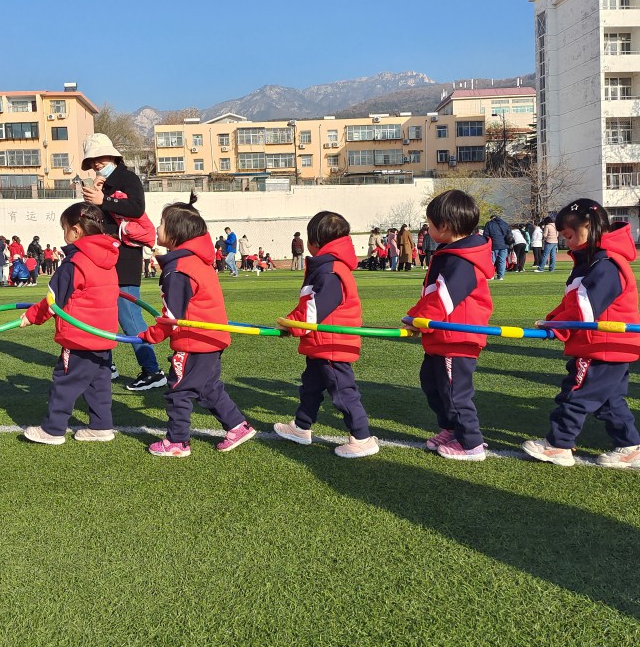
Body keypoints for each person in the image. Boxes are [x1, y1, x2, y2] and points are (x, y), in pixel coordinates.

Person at [522, 199, 640, 469]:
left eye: (569, 236)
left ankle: (559, 444)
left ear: (588, 226)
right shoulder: (591, 261)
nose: (566, 243)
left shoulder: (606, 264)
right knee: (609, 401)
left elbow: (585, 308)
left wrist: (558, 326)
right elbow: (572, 301)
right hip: (605, 345)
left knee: (576, 393)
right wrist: (552, 320)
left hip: (601, 345)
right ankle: (632, 447)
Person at [138, 193, 256, 457]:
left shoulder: (180, 269)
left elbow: (172, 316)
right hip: (211, 338)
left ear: (175, 232)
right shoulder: (195, 261)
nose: (157, 227)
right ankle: (237, 425)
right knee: (208, 387)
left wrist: (150, 335)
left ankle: (177, 441)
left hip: (195, 341)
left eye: (161, 223)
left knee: (178, 390)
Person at [274, 211, 379, 458]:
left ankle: (362, 437)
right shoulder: (327, 267)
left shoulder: (331, 271)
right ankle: (301, 427)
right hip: (320, 343)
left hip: (331, 345)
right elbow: (307, 305)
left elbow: (315, 310)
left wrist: (294, 325)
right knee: (311, 387)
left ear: (315, 242)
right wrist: (291, 321)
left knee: (343, 392)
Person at [403, 190, 493, 461]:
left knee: (455, 393)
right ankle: (452, 429)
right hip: (441, 336)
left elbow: (445, 298)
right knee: (433, 385)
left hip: (456, 339)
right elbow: (432, 295)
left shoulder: (462, 260)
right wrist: (414, 316)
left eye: (429, 223)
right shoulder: (449, 255)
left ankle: (471, 443)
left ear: (443, 226)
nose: (427, 228)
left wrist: (422, 320)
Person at [21, 203, 120, 445]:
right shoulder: (108, 259)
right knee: (99, 383)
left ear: (76, 231)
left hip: (79, 336)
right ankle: (101, 426)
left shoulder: (75, 263)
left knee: (65, 381)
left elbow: (53, 301)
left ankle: (53, 429)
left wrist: (31, 317)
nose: (64, 233)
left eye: (65, 228)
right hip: (103, 335)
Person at [80, 133, 165, 391]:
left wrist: (103, 200)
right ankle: (105, 364)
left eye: (100, 157)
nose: (96, 163)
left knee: (128, 314)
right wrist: (94, 198)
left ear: (113, 155)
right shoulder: (100, 183)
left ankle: (152, 370)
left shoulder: (128, 178)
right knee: (101, 311)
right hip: (103, 254)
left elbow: (137, 208)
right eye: (91, 159)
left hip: (125, 256)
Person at [482, 213, 512, 281]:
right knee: (502, 261)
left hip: (494, 244)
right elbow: (509, 234)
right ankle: (501, 276)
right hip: (504, 244)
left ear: (492, 218)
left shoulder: (489, 224)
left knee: (491, 261)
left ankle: (490, 275)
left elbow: (486, 235)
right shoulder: (505, 224)